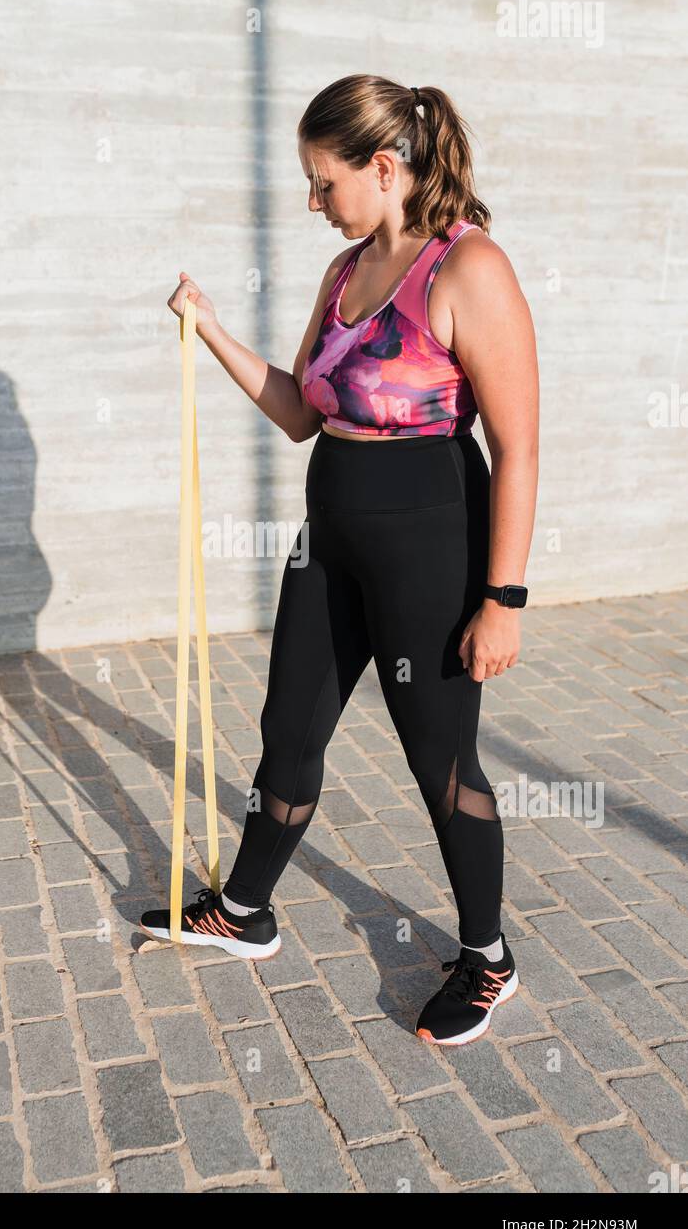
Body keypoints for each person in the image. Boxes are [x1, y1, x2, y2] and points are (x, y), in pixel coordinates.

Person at [141, 74, 539, 1046]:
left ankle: (486, 956)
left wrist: (502, 599)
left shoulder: (466, 269)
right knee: (288, 726)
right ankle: (242, 911)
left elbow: (517, 447)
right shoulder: (344, 274)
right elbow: (297, 414)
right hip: (331, 540)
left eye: (323, 183)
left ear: (384, 167)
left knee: (436, 758)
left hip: (431, 546)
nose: (311, 201)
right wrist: (211, 330)